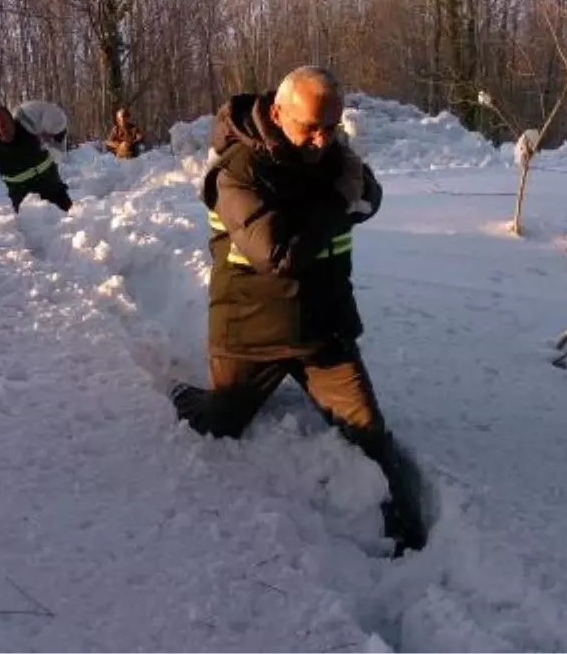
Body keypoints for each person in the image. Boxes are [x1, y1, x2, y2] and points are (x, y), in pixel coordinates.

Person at [167, 65, 431, 556]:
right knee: (219, 424)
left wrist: (346, 194)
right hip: (250, 330)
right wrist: (338, 198)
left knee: (370, 435)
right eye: (310, 126)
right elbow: (278, 255)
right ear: (276, 112)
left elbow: (370, 196)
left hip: (323, 330)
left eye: (331, 127)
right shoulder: (237, 172)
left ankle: (412, 542)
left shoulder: (333, 155)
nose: (321, 140)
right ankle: (179, 393)